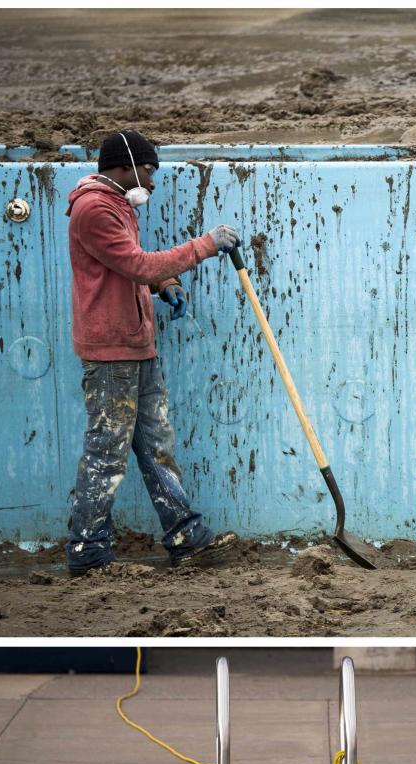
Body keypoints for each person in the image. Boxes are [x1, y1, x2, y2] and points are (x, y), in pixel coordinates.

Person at [65, 128, 241, 575]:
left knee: (156, 447)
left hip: (137, 345)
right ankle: (87, 551)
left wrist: (166, 284)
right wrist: (204, 246)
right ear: (124, 165)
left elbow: (132, 266)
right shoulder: (93, 209)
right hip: (111, 353)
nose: (153, 179)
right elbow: (135, 264)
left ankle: (186, 535)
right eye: (149, 169)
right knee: (107, 452)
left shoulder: (119, 204)